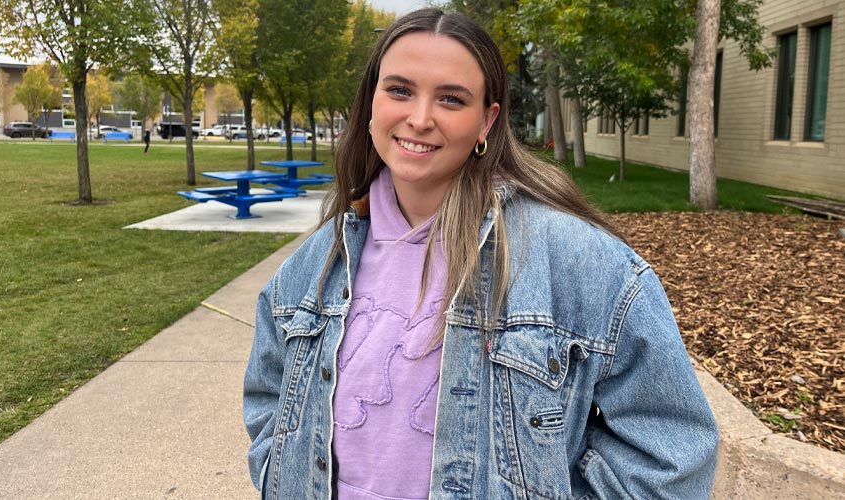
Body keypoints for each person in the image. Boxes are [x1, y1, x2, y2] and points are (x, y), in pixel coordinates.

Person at [243, 8, 718, 500]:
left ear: (486, 120)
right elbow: (269, 404)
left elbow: (672, 450)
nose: (420, 118)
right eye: (400, 90)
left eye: (451, 99)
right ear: (371, 103)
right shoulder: (319, 263)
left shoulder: (577, 260)